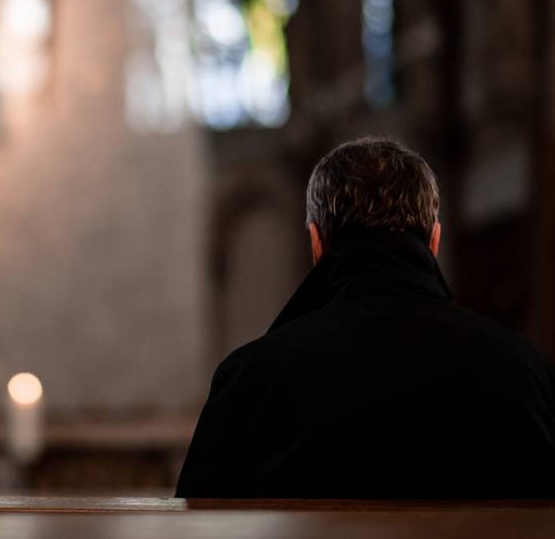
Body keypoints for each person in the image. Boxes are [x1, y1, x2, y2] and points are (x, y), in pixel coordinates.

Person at [176, 137, 555, 498]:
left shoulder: (249, 378)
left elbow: (197, 520)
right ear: (434, 241)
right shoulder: (524, 371)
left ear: (317, 242)